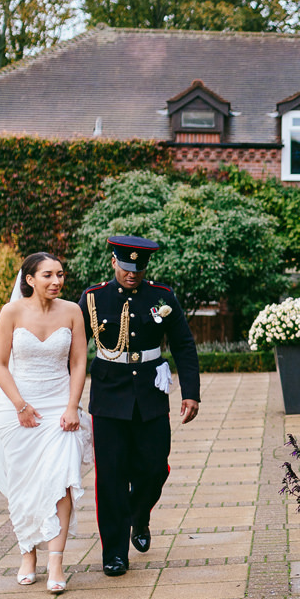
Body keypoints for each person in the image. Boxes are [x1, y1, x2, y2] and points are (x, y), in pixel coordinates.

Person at [78, 235, 200, 576]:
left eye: (140, 268)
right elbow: (74, 347)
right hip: (108, 395)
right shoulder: (93, 297)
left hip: (150, 393)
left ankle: (139, 515)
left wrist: (191, 392)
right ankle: (114, 554)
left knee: (155, 467)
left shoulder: (161, 296)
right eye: (127, 267)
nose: (133, 274)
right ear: (114, 262)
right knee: (111, 478)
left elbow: (184, 345)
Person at [0, 251, 90, 594]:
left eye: (60, 274)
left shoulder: (73, 311)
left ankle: (56, 563)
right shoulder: (11, 312)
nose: (56, 281)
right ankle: (27, 555)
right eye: (48, 275)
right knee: (25, 485)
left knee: (60, 482)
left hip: (60, 408)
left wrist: (73, 406)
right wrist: (20, 405)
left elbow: (78, 364)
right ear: (29, 280)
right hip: (19, 408)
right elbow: (0, 364)